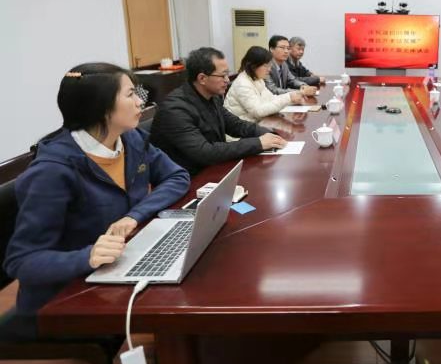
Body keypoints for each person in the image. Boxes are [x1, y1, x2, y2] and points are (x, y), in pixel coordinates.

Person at [2, 63, 190, 341]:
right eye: (130, 94)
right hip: (65, 303)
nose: (141, 101)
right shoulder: (52, 171)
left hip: (115, 274)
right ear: (100, 107)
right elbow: (22, 261)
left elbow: (177, 176)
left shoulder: (130, 139)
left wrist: (134, 216)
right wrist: (87, 257)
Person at [150, 47, 287, 175]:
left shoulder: (212, 96)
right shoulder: (175, 109)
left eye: (227, 74)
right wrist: (258, 143)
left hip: (212, 169)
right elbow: (205, 152)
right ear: (202, 78)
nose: (227, 80)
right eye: (223, 76)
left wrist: (269, 134)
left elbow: (235, 125)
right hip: (187, 178)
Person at [225, 46, 304, 122]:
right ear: (253, 66)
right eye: (266, 66)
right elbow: (258, 111)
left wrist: (292, 96)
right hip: (242, 128)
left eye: (270, 66)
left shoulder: (257, 79)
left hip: (256, 123)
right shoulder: (242, 84)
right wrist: (288, 98)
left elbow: (271, 98)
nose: (269, 69)